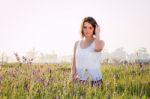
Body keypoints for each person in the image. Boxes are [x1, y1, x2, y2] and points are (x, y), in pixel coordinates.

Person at [71, 16, 105, 87]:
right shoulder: (77, 44)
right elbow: (74, 63)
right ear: (82, 28)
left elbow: (97, 48)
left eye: (90, 28)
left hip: (95, 82)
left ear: (94, 29)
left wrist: (98, 33)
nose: (87, 30)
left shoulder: (100, 42)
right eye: (85, 27)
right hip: (79, 81)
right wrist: (73, 76)